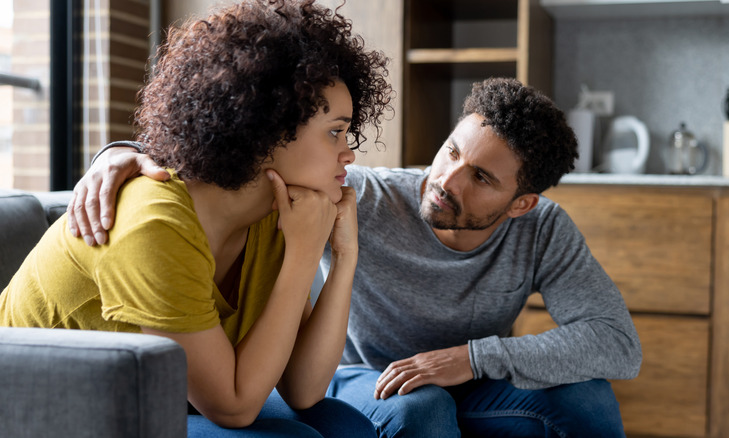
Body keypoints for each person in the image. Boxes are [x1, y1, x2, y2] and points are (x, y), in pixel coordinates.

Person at [68, 78, 642, 437]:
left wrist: (471, 358)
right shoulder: (363, 194)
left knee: (588, 401)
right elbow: (241, 158)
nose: (446, 180)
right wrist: (123, 153)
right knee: (423, 410)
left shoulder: (544, 231)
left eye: (481, 178)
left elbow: (616, 343)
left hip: (467, 379)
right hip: (353, 378)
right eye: (450, 152)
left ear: (522, 203)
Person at [0, 1, 392, 437]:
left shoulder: (275, 213)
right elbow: (235, 407)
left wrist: (344, 256)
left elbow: (303, 388)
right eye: (334, 131)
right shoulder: (154, 222)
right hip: (41, 409)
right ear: (264, 127)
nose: (349, 153)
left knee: (345, 426)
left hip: (153, 396)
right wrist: (302, 254)